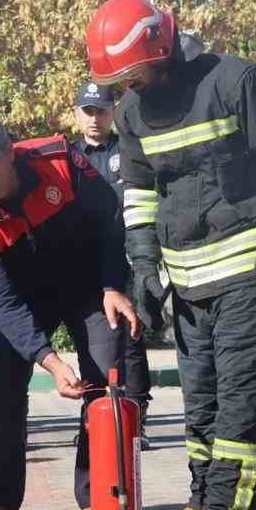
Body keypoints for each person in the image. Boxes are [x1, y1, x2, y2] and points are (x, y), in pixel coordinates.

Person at [89, 0, 256, 510]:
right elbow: (139, 195)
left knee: (242, 392)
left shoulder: (235, 82)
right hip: (187, 280)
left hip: (247, 269)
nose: (130, 88)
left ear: (161, 47)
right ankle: (202, 501)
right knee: (202, 396)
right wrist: (143, 266)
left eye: (135, 75)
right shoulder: (132, 114)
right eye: (122, 81)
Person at [0, 115, 140, 510]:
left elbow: (109, 221)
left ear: (10, 151)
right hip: (25, 299)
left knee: (104, 378)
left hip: (89, 285)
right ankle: (0, 503)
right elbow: (4, 305)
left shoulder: (61, 162)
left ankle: (96, 499)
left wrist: (112, 285)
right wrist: (50, 361)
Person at [72, 79, 154, 445]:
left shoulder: (130, 150)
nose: (95, 118)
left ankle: (135, 419)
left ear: (113, 113)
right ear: (77, 114)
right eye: (88, 111)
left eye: (102, 110)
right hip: (86, 263)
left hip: (127, 257)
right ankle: (91, 418)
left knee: (132, 340)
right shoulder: (67, 157)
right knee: (90, 342)